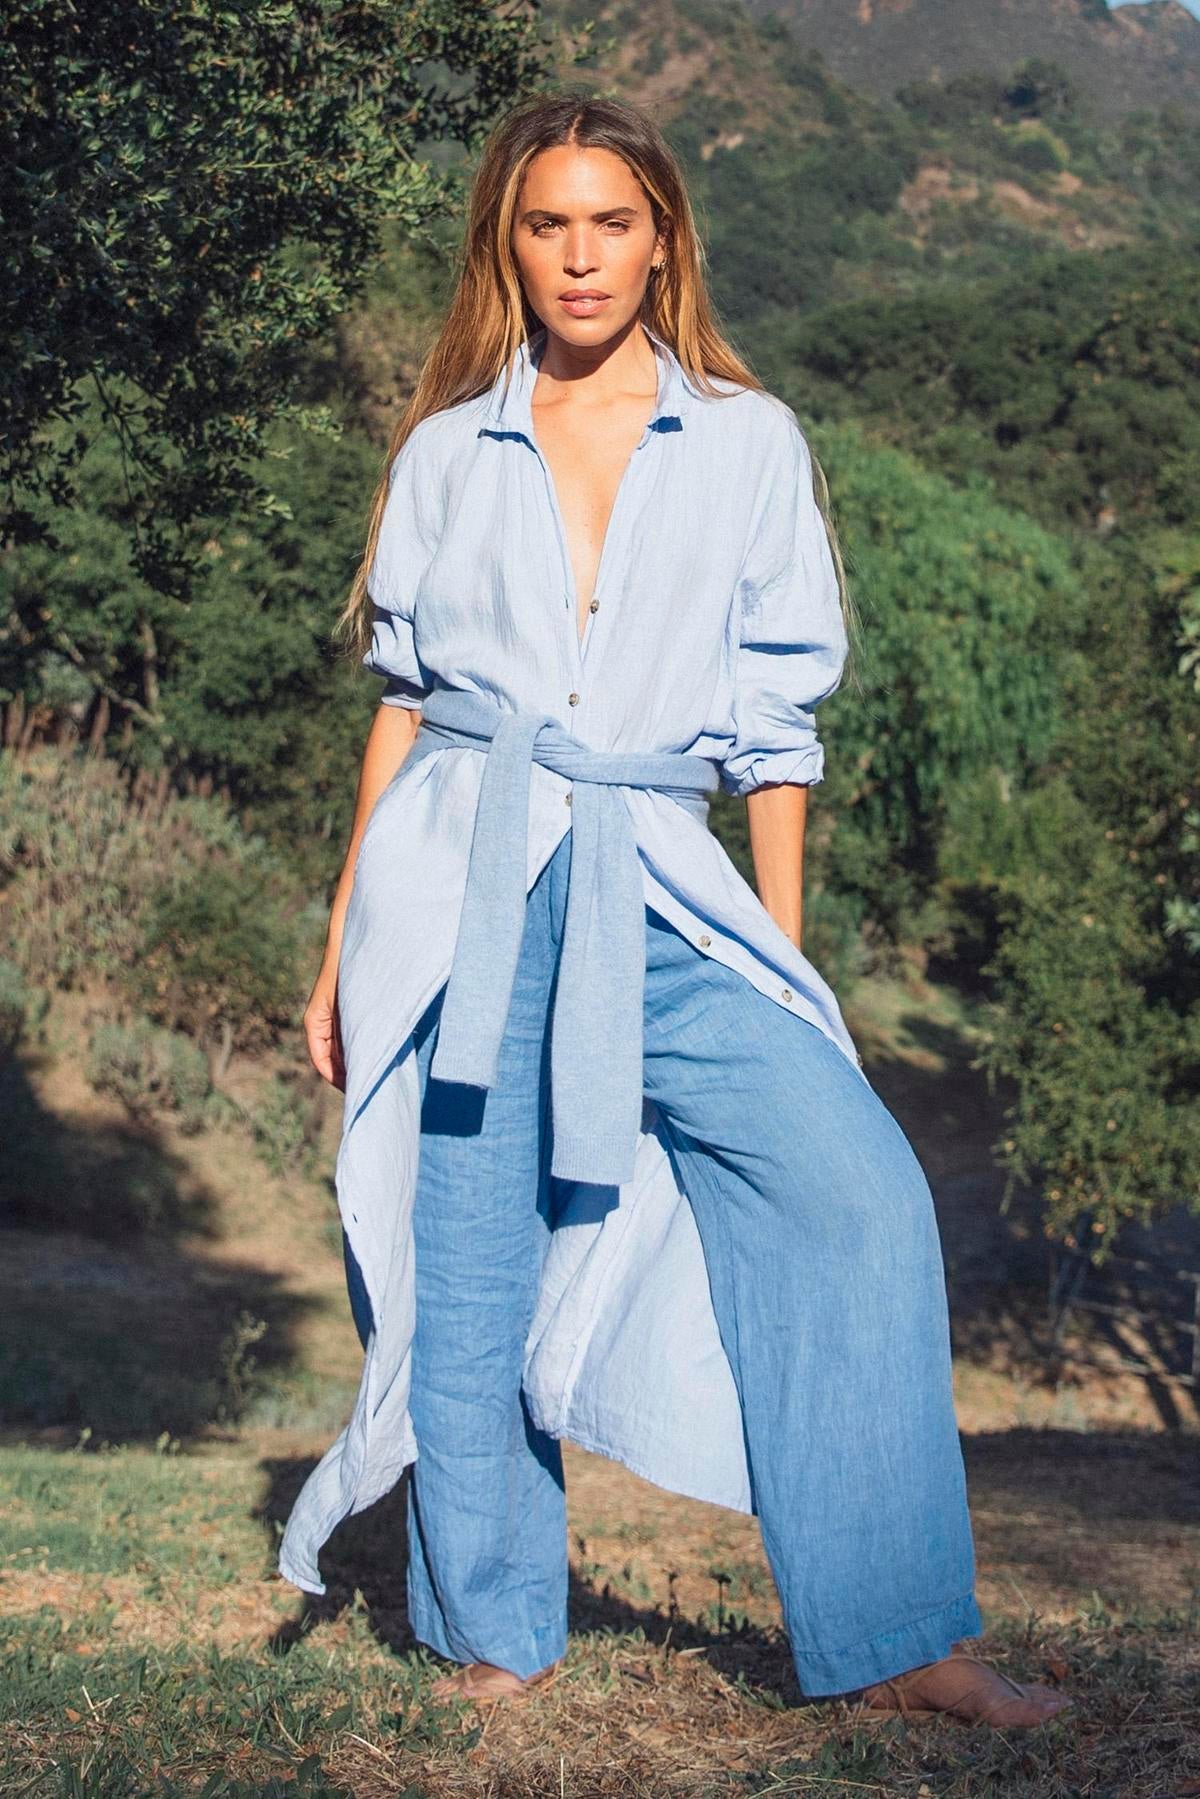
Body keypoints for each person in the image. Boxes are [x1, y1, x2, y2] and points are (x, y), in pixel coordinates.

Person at [283, 90, 1073, 1730]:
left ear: (664, 239)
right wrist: (344, 941)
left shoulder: (747, 440)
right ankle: (493, 1630)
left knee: (856, 1198)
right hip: (467, 884)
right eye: (546, 224)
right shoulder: (448, 448)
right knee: (473, 1257)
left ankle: (902, 1635)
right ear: (508, 241)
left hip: (661, 870)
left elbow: (777, 735)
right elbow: (407, 707)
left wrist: (786, 957)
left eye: (613, 223)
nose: (581, 257)